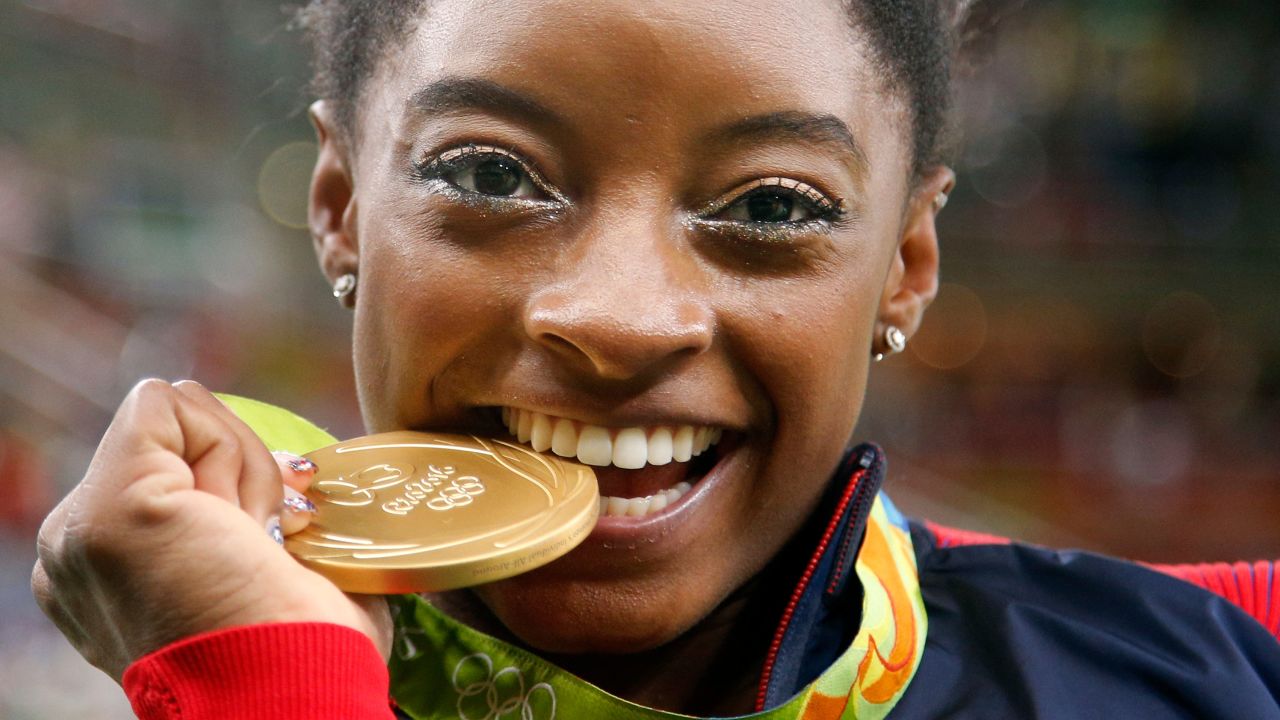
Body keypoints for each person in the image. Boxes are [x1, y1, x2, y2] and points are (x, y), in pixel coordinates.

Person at [31, 0, 1280, 718]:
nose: (623, 318)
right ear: (342, 205)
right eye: (488, 175)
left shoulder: (1207, 661)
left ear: (903, 262)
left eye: (775, 206)